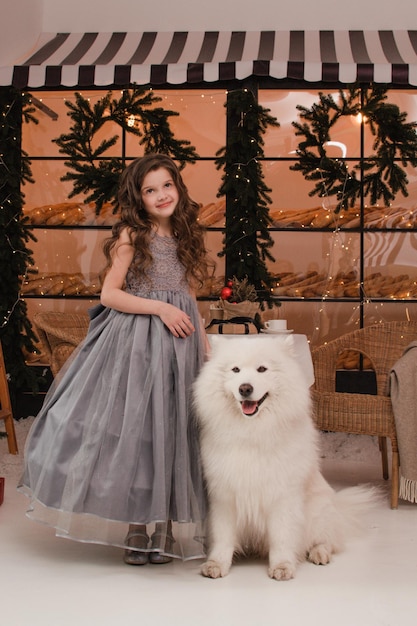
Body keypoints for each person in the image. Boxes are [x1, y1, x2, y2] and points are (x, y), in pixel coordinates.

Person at [19, 153, 212, 565]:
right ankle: (136, 527)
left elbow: (187, 291)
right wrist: (160, 309)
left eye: (167, 186)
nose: (161, 195)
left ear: (178, 187)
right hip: (139, 345)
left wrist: (203, 338)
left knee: (175, 429)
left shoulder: (184, 233)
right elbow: (110, 294)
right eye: (150, 190)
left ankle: (166, 525)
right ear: (138, 198)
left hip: (181, 345)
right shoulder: (131, 234)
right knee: (139, 431)